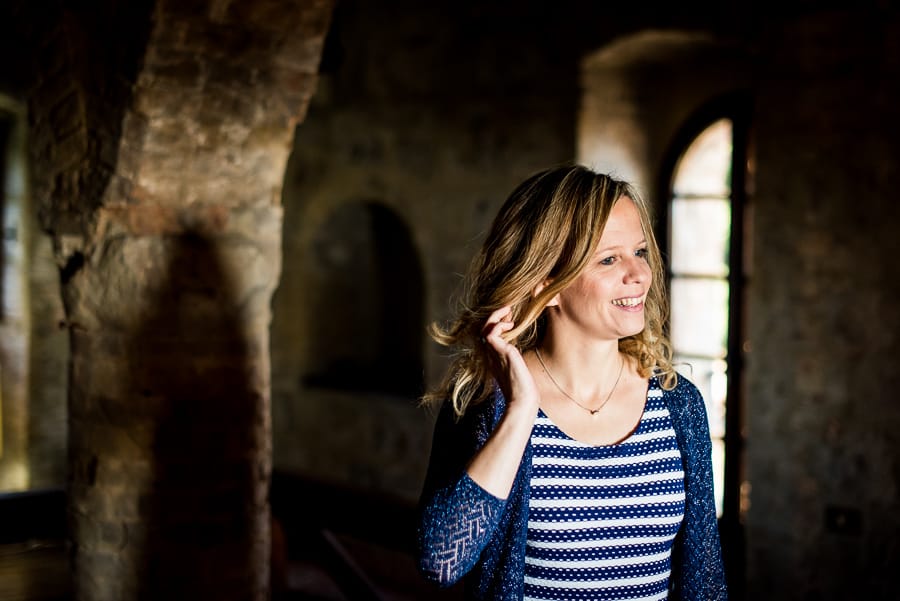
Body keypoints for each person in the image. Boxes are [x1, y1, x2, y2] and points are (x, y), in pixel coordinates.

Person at [415, 164, 727, 600]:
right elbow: (440, 560)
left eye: (639, 251)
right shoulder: (489, 403)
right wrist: (521, 410)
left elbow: (705, 581)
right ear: (548, 282)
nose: (638, 274)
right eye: (608, 259)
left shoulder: (679, 404)